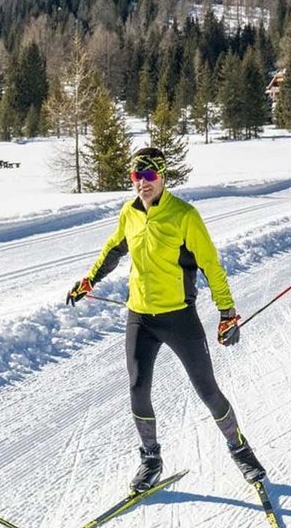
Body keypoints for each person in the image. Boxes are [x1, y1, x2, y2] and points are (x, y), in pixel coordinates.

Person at [66, 146, 265, 493]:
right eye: (136, 176)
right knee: (137, 388)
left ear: (162, 177)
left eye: (149, 175)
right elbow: (114, 249)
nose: (142, 183)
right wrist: (89, 280)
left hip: (179, 317)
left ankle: (239, 448)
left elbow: (211, 265)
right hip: (140, 316)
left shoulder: (184, 215)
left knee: (207, 389)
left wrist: (227, 313)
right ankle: (151, 459)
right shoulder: (129, 213)